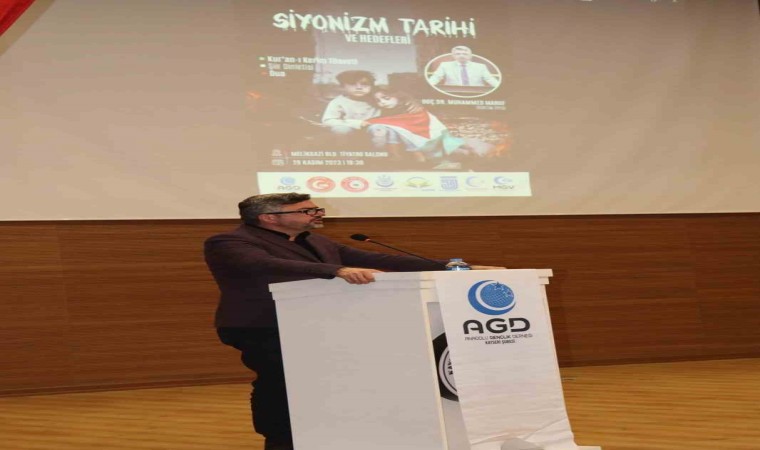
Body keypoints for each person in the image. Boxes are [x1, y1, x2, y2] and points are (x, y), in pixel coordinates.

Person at [204, 193, 501, 450]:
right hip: (263, 326)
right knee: (279, 382)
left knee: (326, 383)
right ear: (269, 217)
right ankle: (280, 440)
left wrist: (457, 267)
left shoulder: (315, 241)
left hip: (322, 323)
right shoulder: (229, 242)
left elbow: (383, 261)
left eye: (316, 209)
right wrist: (337, 270)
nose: (317, 214)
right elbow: (263, 264)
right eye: (307, 210)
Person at [428, 45, 499, 88]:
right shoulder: (445, 65)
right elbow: (436, 78)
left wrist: (499, 88)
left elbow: (490, 79)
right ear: (453, 56)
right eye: (458, 54)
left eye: (465, 54)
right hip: (452, 93)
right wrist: (428, 87)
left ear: (470, 56)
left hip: (476, 93)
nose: (461, 56)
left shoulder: (481, 67)